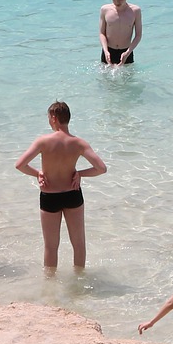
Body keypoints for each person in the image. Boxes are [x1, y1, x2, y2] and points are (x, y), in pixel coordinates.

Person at [14, 101, 107, 272]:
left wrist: (38, 174)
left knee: (51, 246)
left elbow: (20, 165)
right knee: (79, 244)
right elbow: (101, 168)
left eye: (49, 118)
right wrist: (80, 173)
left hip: (50, 196)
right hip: (73, 195)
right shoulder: (79, 143)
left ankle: (50, 287)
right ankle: (79, 281)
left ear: (54, 118)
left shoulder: (43, 141)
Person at [99, 0, 141, 67]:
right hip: (108, 52)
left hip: (126, 52)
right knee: (105, 80)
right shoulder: (105, 10)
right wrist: (106, 51)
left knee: (129, 80)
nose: (117, 2)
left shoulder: (135, 11)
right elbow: (102, 33)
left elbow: (138, 35)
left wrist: (128, 52)